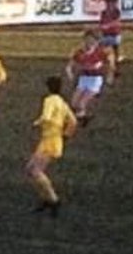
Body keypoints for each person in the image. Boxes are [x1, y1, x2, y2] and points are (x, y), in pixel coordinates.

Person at [27, 76, 77, 217]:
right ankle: (46, 198)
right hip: (54, 140)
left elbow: (46, 117)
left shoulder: (49, 100)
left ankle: (53, 199)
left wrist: (37, 123)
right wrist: (66, 136)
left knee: (36, 171)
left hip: (49, 140)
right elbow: (73, 121)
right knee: (30, 168)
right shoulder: (62, 102)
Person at [65, 30, 116, 127]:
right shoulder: (80, 52)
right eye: (88, 40)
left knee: (82, 103)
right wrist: (70, 72)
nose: (89, 43)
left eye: (92, 40)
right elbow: (70, 64)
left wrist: (110, 75)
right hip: (84, 78)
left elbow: (110, 60)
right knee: (74, 103)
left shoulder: (100, 52)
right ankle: (82, 118)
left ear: (97, 41)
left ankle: (80, 120)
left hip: (95, 79)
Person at [99, 0, 123, 67]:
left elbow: (116, 21)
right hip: (106, 34)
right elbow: (101, 22)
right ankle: (105, 62)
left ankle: (117, 63)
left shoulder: (116, 12)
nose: (109, 4)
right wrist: (102, 27)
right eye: (108, 3)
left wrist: (108, 26)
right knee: (101, 48)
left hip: (114, 34)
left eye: (111, 3)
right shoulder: (103, 12)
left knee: (115, 48)